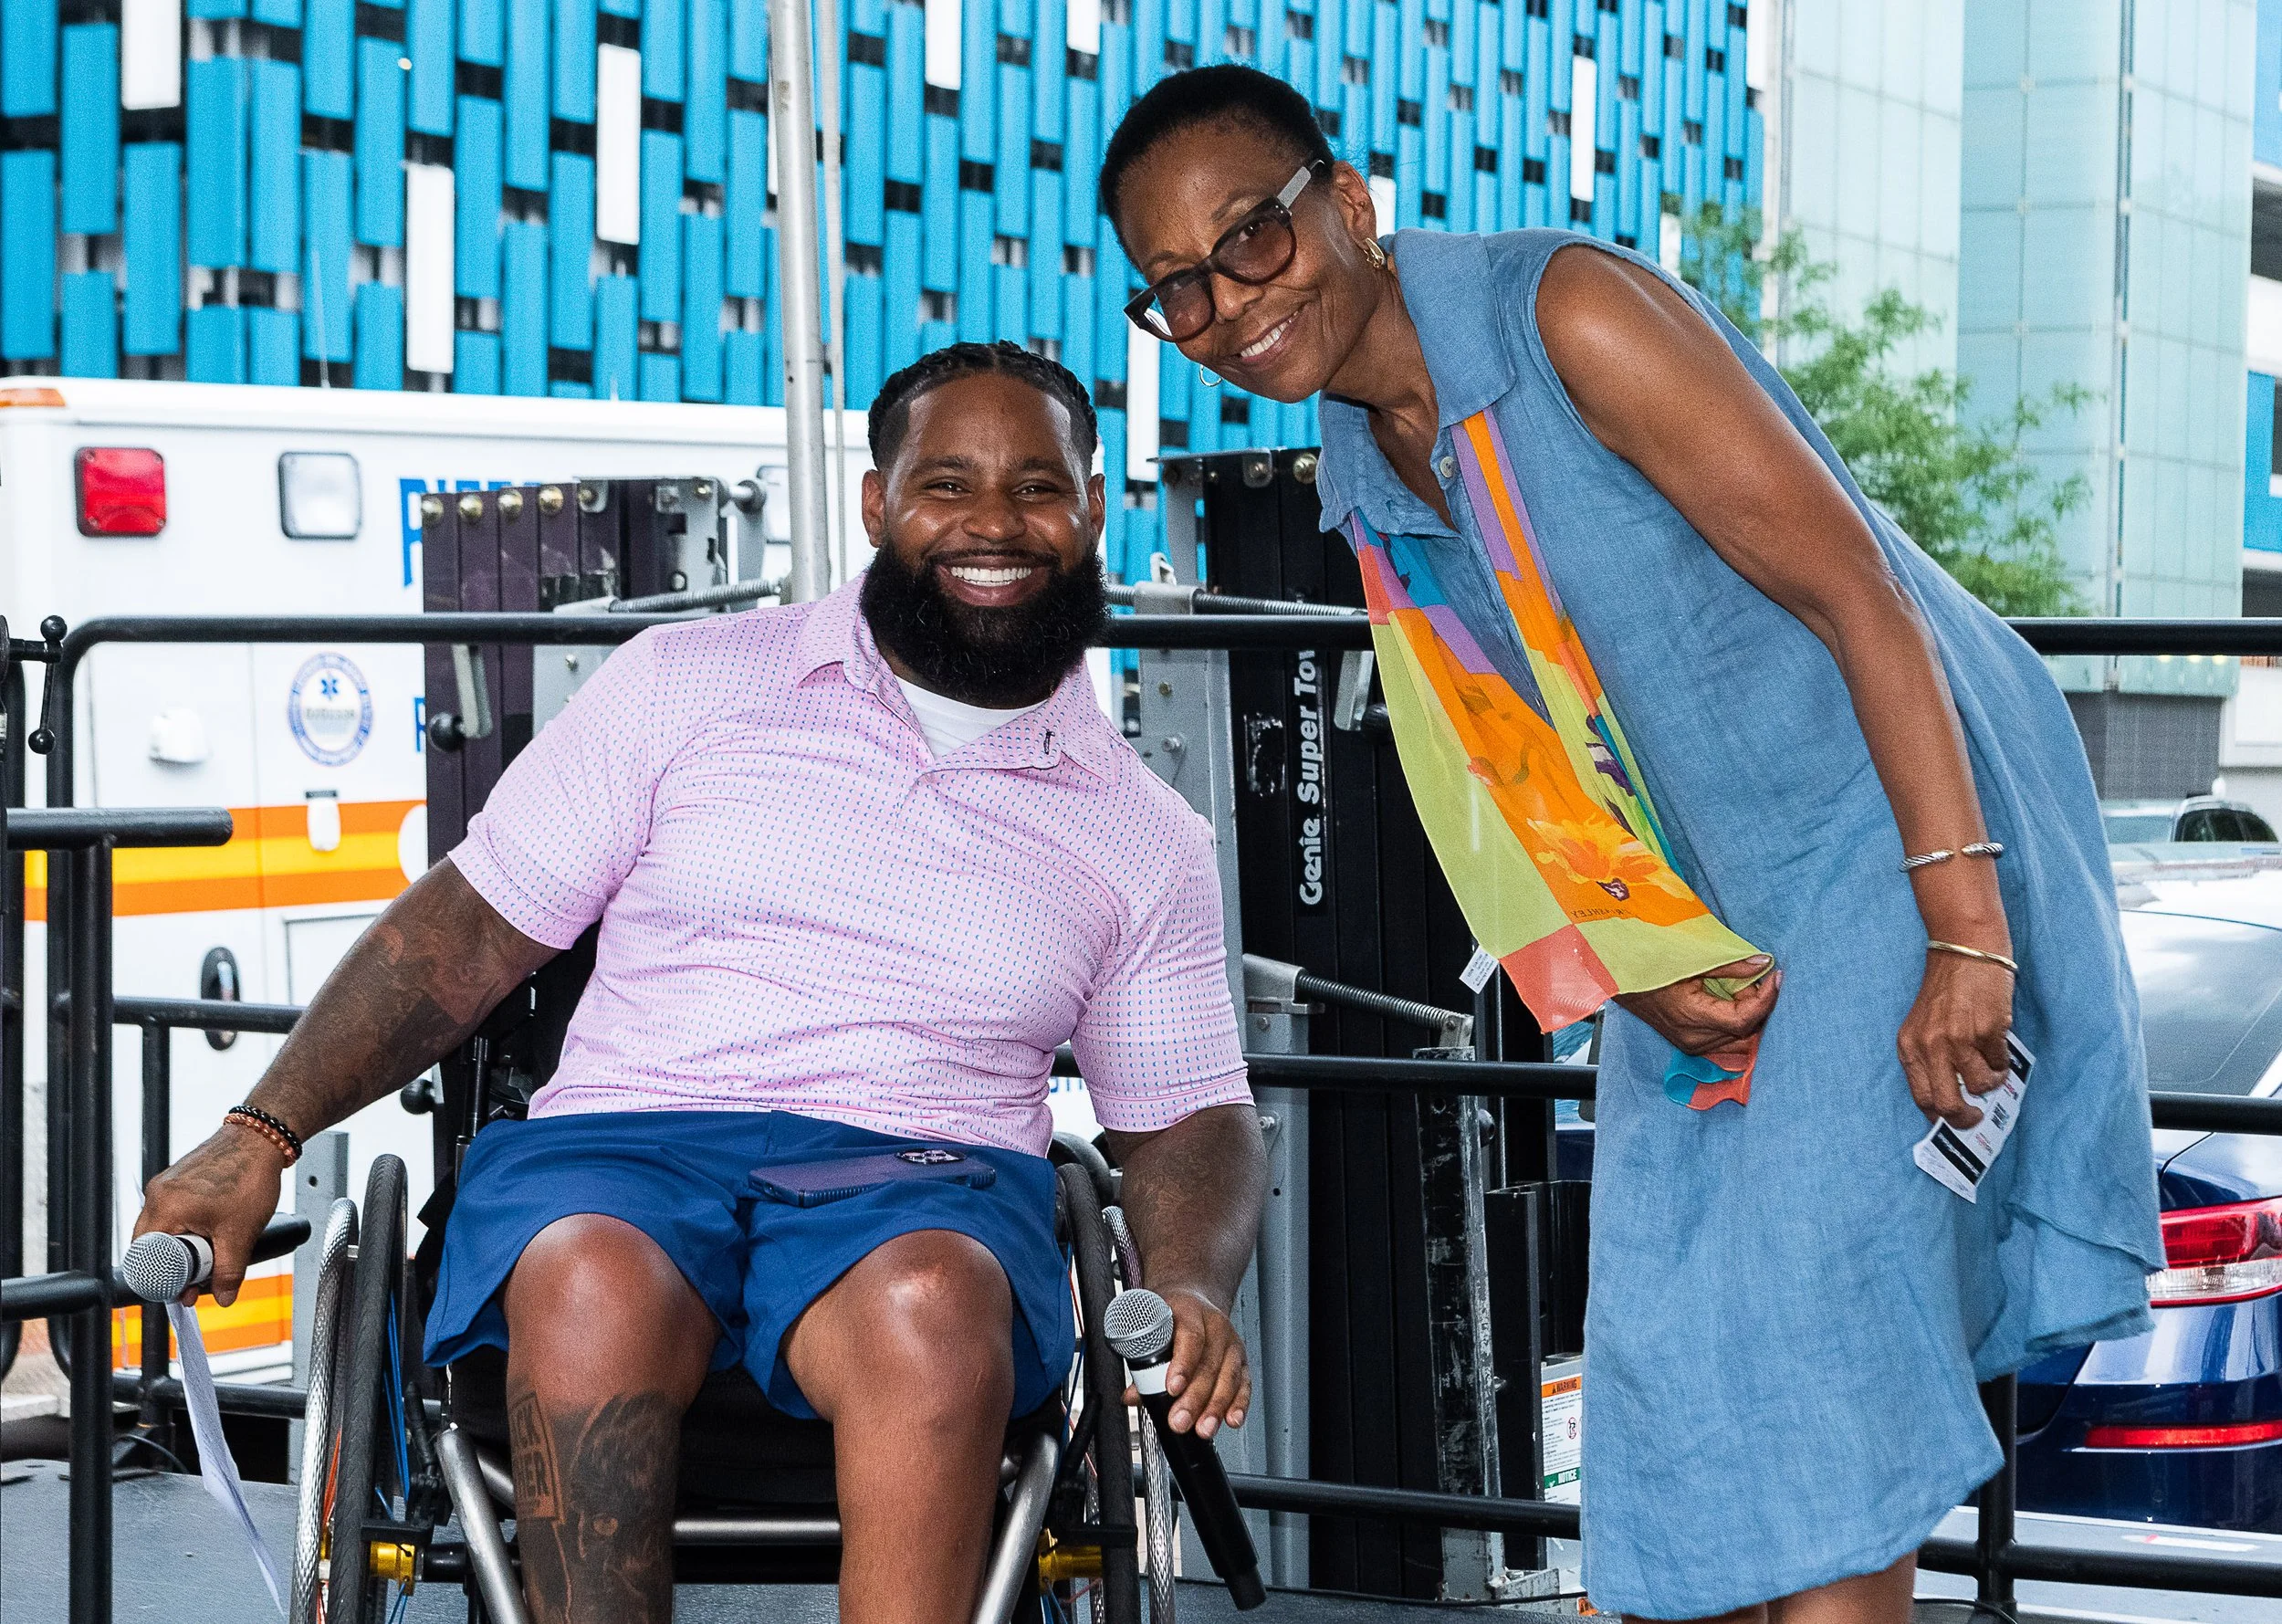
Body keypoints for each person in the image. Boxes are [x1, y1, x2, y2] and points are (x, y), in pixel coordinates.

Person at [1099, 65, 2161, 1624]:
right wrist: (1620, 963)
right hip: (1690, 905)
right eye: (1177, 288)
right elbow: (1504, 756)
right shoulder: (1364, 458)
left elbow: (1860, 593)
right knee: (1671, 1358)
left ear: (1350, 203)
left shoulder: (1563, 316)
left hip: (1890, 823)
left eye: (1250, 237)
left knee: (1823, 1337)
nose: (1227, 304)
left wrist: (1966, 933)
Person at [133, 341, 1267, 1624]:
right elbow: (467, 929)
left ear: (1095, 508)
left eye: (1038, 487)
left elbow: (1187, 1111)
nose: (995, 524)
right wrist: (260, 1132)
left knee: (933, 1303)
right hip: (626, 1149)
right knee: (587, 1280)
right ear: (878, 503)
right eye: (948, 483)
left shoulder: (1141, 833)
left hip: (924, 1180)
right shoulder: (689, 683)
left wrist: (1190, 1281)